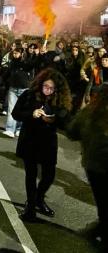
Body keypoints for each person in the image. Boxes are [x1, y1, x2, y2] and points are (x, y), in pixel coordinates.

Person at [12, 68, 71, 222]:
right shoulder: (29, 94)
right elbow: (15, 113)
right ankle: (30, 207)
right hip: (29, 139)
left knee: (49, 176)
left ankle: (38, 198)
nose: (48, 90)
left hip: (48, 142)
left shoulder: (60, 100)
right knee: (30, 175)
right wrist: (31, 114)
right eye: (46, 87)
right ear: (40, 84)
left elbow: (65, 121)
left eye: (51, 88)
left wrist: (55, 119)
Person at [67, 85, 108, 250]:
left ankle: (98, 231)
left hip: (93, 167)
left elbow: (71, 131)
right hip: (100, 165)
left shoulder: (90, 112)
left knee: (103, 203)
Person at [2, 47, 33, 138]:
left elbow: (32, 64)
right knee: (11, 109)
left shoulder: (26, 62)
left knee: (22, 110)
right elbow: (6, 74)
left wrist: (39, 54)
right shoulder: (12, 63)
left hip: (24, 89)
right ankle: (10, 129)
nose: (15, 55)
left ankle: (19, 129)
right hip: (13, 89)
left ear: (22, 54)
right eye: (14, 53)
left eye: (17, 53)